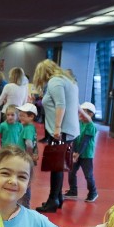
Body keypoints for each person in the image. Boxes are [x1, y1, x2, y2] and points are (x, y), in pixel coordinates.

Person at [33, 59, 79, 213]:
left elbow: (61, 104)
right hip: (69, 130)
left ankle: (53, 200)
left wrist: (57, 127)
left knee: (56, 166)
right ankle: (57, 198)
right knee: (58, 166)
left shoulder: (55, 82)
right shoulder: (68, 80)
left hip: (62, 131)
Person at [65, 102, 99, 203]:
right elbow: (75, 138)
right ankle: (73, 191)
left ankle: (93, 192)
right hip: (76, 153)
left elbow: (85, 141)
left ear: (91, 114)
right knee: (71, 172)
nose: (80, 115)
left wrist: (78, 153)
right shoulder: (79, 123)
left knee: (88, 175)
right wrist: (74, 152)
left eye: (83, 113)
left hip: (86, 155)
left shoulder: (91, 126)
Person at [17, 102, 40, 207]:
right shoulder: (31, 127)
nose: (19, 117)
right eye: (19, 114)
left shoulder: (27, 129)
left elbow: (29, 144)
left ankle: (24, 204)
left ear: (31, 117)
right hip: (26, 159)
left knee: (24, 180)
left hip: (24, 159)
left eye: (22, 115)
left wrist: (28, 157)